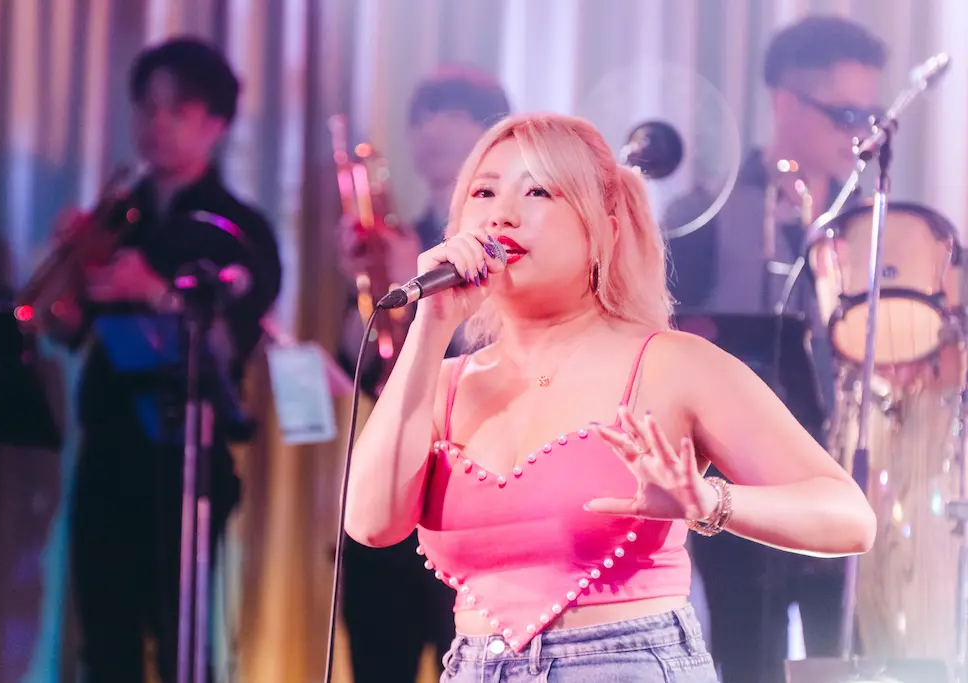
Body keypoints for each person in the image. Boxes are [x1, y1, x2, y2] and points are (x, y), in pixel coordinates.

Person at [342, 111, 876, 683]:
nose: (502, 214)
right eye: (484, 192)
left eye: (538, 191)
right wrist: (431, 327)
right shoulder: (442, 381)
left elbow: (848, 518)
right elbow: (371, 524)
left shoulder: (671, 364)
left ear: (605, 230)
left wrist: (708, 501)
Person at [663, 15, 888, 683]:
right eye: (845, 113)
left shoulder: (874, 225)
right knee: (747, 657)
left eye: (870, 116)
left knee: (840, 659)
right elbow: (670, 341)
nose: (860, 134)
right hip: (740, 485)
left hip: (845, 478)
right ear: (785, 102)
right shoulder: (703, 213)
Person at [64, 37, 283, 683]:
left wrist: (152, 290)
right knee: (104, 646)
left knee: (184, 644)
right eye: (146, 108)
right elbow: (67, 327)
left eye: (176, 110)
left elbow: (234, 339)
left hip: (186, 461)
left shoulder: (237, 227)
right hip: (105, 452)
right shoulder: (116, 219)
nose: (155, 124)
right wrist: (70, 270)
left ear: (216, 123)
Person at [335, 66, 512, 683]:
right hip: (396, 481)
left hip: (473, 487)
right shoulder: (395, 237)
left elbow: (494, 357)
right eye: (420, 118)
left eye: (450, 114)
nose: (429, 131)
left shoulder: (510, 251)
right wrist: (362, 287)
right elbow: (364, 369)